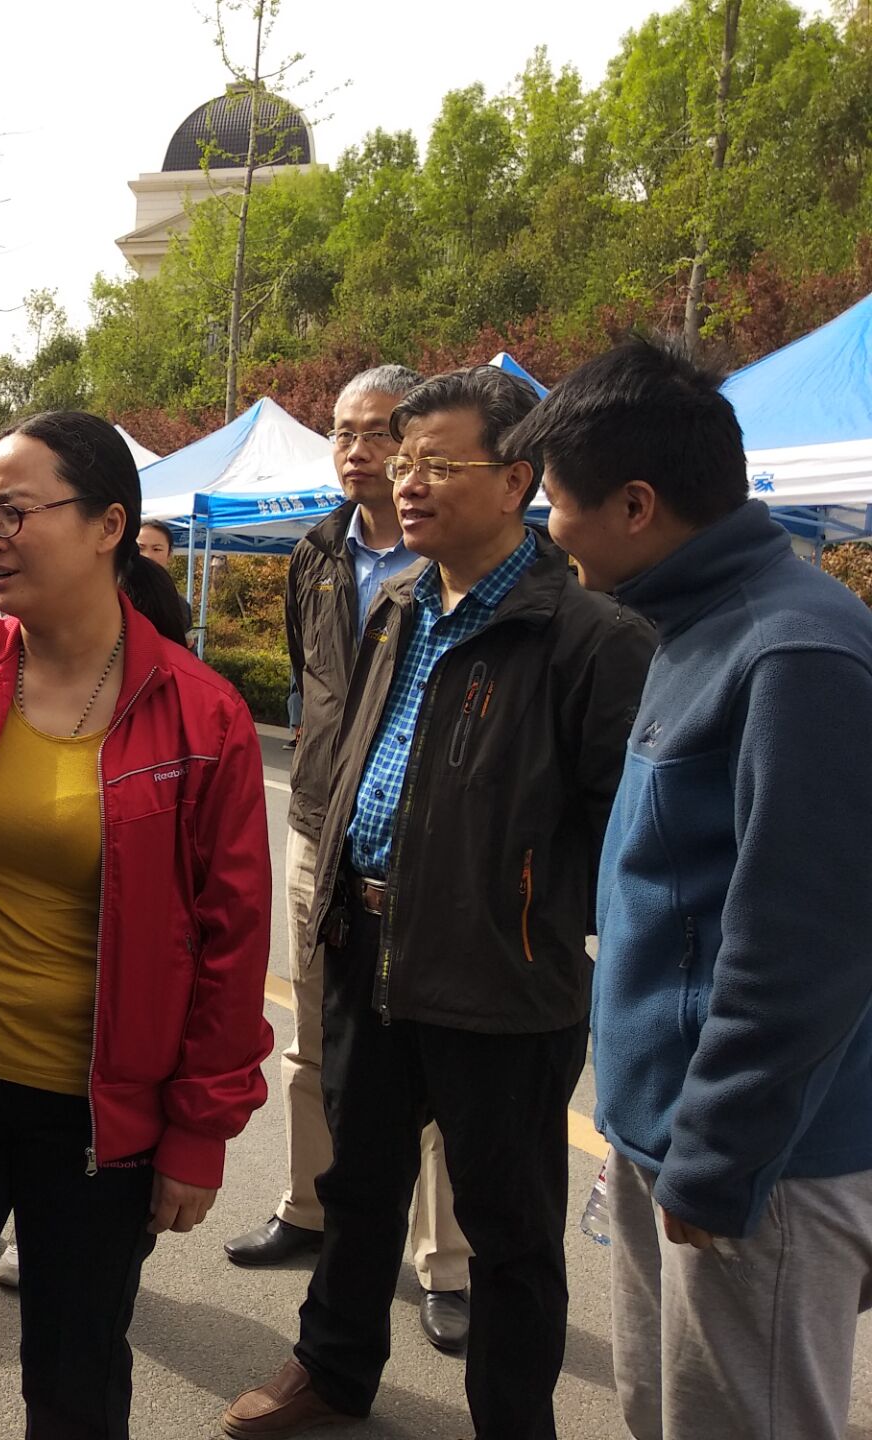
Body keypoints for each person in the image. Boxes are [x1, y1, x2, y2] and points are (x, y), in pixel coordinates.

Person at [221, 368, 654, 1440]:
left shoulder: (589, 638)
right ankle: (333, 1371)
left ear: (516, 482)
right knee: (357, 1184)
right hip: (367, 939)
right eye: (401, 458)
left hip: (500, 972)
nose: (404, 480)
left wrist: (528, 919)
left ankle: (511, 1419)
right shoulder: (397, 605)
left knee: (508, 1230)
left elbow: (624, 838)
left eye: (435, 462)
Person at [0, 411, 273, 1438]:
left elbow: (230, 945)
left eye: (12, 513)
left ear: (110, 525)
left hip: (103, 1124)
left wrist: (198, 1132)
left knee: (75, 1382)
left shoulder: (203, 716)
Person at [510, 338, 872, 1440]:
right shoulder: (695, 624)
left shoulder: (795, 654)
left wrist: (718, 1160)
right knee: (665, 1414)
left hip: (759, 1165)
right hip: (672, 1138)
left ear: (635, 504)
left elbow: (802, 949)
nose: (547, 525)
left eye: (556, 501)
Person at [220, 365, 475, 1357]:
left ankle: (445, 1262)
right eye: (341, 431)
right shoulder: (318, 552)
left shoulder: (453, 556)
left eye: (377, 432)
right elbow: (309, 682)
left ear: (414, 447)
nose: (356, 450)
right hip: (319, 826)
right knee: (314, 1036)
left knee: (432, 1058)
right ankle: (308, 1207)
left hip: (429, 846)